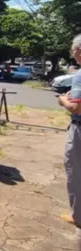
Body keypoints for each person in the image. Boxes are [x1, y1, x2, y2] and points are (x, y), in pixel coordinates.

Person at [58, 34, 81, 239]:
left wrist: (63, 100)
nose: (72, 53)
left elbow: (75, 107)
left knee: (74, 168)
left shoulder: (80, 75)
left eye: (73, 49)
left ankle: (78, 215)